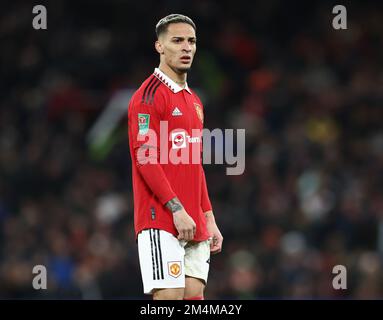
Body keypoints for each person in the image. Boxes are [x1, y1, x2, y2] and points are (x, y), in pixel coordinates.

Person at [127, 14, 223, 300]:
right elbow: (145, 158)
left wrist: (209, 216)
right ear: (159, 46)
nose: (186, 48)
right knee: (169, 297)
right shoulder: (148, 97)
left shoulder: (194, 101)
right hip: (161, 217)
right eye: (177, 41)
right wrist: (176, 209)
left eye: (191, 41)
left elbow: (195, 165)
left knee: (194, 297)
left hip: (193, 219)